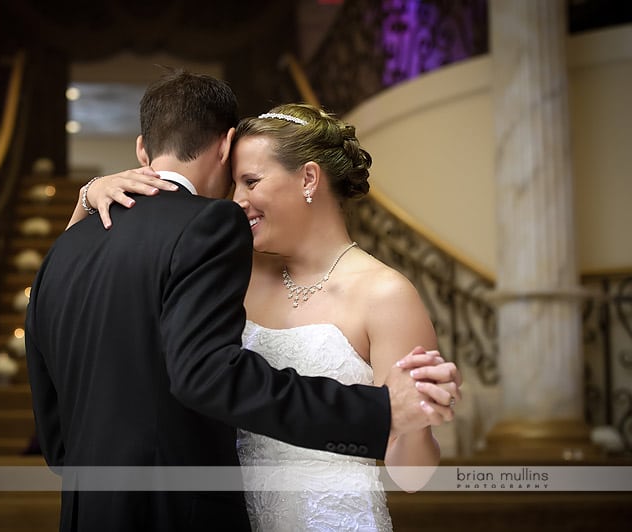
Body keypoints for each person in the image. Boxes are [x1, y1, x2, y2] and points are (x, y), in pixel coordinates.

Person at [28, 70, 460, 532]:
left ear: (309, 178)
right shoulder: (229, 269)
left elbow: (410, 474)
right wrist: (90, 194)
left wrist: (413, 418)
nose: (235, 202)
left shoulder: (386, 295)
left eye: (250, 181)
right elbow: (165, 355)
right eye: (233, 183)